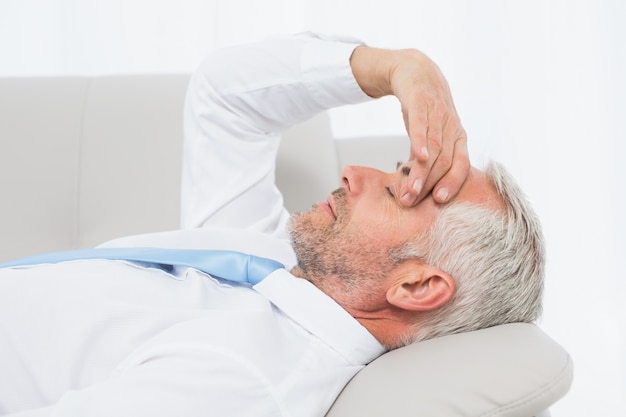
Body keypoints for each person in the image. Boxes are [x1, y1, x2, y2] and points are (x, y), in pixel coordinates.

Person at [0, 33, 544, 417]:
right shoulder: (273, 267)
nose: (354, 173)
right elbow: (225, 99)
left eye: (398, 188)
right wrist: (400, 67)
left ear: (416, 286)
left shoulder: (245, 379)